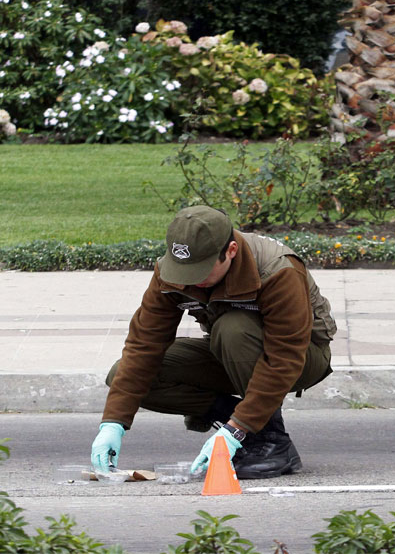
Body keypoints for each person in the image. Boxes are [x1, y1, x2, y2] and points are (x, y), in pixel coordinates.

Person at [90, 205, 335, 479]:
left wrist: (238, 429)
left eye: (201, 270)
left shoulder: (278, 269)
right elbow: (144, 345)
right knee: (124, 374)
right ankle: (239, 418)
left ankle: (272, 443)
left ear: (230, 251)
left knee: (233, 328)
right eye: (183, 270)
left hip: (302, 358)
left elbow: (285, 356)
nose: (190, 280)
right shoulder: (172, 271)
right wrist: (113, 423)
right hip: (232, 355)